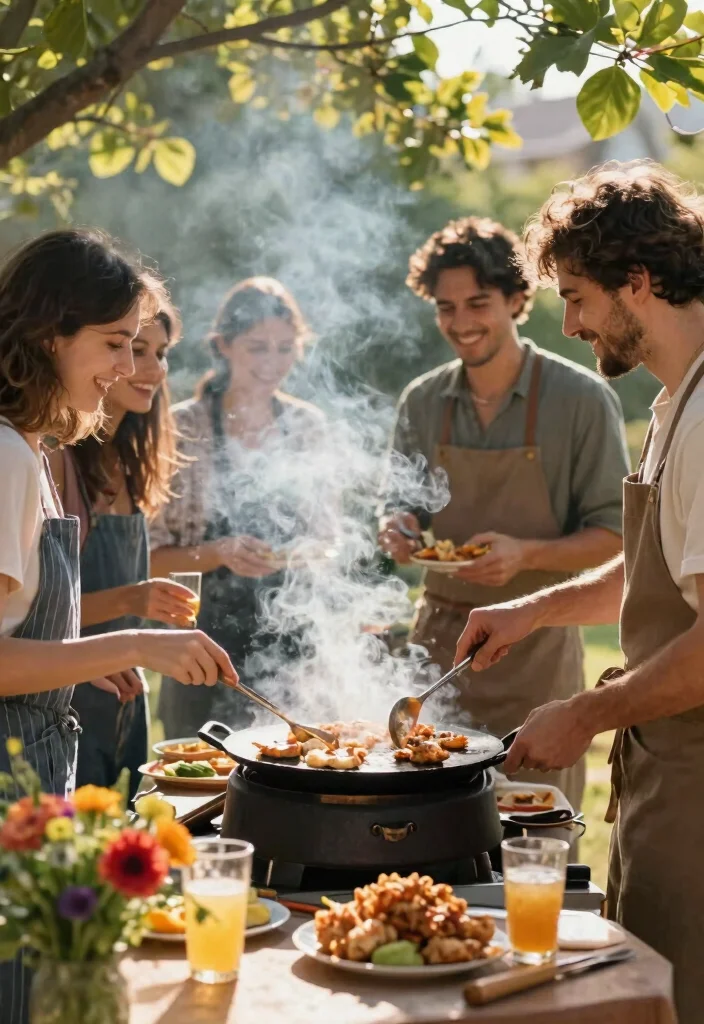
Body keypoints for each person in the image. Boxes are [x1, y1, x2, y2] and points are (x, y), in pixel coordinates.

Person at [454, 161, 704, 1024]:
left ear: (638, 282)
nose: (567, 324)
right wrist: (534, 609)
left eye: (577, 297)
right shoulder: (677, 403)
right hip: (663, 780)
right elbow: (655, 568)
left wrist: (583, 715)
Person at [0, 229, 238, 1024]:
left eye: (137, 347)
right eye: (113, 344)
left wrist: (71, 660)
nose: (128, 370)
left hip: (34, 785)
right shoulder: (5, 457)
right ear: (48, 334)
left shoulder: (26, 451)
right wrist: (133, 641)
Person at [379, 216, 628, 809]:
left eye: (477, 303)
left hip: (536, 653)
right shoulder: (422, 399)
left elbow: (619, 535)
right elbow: (400, 503)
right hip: (437, 646)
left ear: (517, 300)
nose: (460, 324)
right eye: (446, 308)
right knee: (426, 819)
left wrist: (527, 555)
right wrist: (397, 526)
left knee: (531, 825)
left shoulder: (582, 399)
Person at [150, 276, 325, 738]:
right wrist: (220, 552)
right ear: (224, 345)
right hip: (198, 647)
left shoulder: (307, 427)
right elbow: (148, 559)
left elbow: (328, 542)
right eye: (258, 347)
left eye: (285, 348)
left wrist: (288, 556)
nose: (274, 363)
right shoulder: (182, 427)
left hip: (292, 646)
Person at [48, 296, 195, 802]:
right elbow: (37, 617)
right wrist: (134, 602)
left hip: (127, 698)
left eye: (161, 353)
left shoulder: (131, 462)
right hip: (66, 702)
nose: (149, 369)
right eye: (133, 348)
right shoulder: (54, 458)